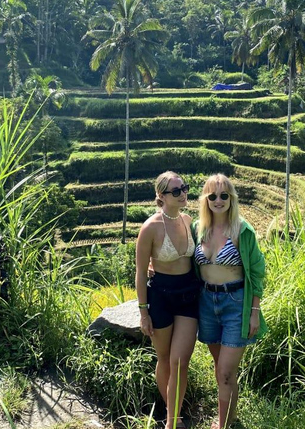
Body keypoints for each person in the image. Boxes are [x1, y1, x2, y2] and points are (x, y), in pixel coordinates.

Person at [192, 174, 268, 429]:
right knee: (221, 370)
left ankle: (222, 424)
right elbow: (181, 255)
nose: (218, 200)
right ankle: (231, 417)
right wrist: (152, 264)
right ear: (206, 199)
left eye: (224, 195)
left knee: (224, 372)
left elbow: (257, 271)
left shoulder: (242, 230)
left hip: (236, 303)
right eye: (212, 195)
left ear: (232, 198)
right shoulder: (197, 228)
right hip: (206, 302)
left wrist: (254, 311)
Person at [135, 171, 200, 429]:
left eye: (184, 188)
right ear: (161, 196)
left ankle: (173, 419)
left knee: (180, 360)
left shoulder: (188, 219)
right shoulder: (150, 228)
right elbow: (140, 271)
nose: (183, 193)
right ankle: (175, 417)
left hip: (187, 295)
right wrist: (143, 312)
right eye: (176, 191)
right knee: (164, 359)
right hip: (160, 296)